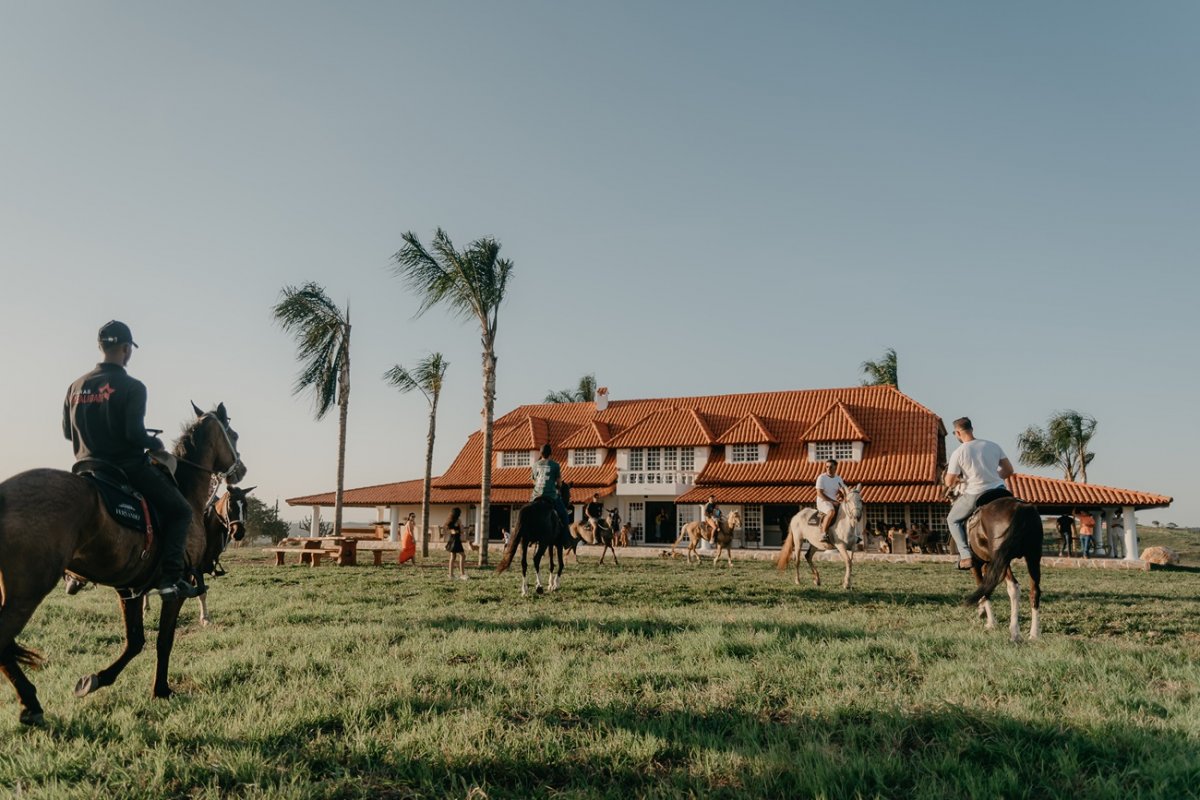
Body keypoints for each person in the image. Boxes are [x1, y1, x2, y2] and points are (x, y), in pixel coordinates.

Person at [63, 321, 199, 600]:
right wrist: (154, 442)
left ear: (101, 347)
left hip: (85, 467)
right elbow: (133, 434)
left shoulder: (75, 386)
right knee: (181, 511)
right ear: (126, 349)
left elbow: (68, 433)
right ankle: (171, 580)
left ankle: (75, 573)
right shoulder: (132, 386)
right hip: (125, 468)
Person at [944, 417, 1015, 569]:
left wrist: (957, 481)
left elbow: (949, 482)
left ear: (957, 432)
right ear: (972, 429)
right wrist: (994, 478)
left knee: (952, 519)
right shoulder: (993, 446)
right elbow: (1009, 470)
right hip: (1000, 490)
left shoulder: (959, 452)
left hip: (976, 493)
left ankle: (965, 556)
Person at [530, 444, 571, 531]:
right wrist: (557, 486)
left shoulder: (535, 465)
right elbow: (559, 482)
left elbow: (533, 481)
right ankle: (567, 537)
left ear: (541, 454)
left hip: (536, 496)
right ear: (550, 454)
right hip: (550, 495)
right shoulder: (555, 465)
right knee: (564, 514)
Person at [815, 459, 848, 545]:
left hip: (834, 501)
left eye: (831, 467)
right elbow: (819, 493)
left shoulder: (838, 478)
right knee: (831, 511)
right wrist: (832, 501)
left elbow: (843, 489)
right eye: (827, 467)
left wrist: (843, 496)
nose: (828, 469)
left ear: (835, 467)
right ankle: (823, 534)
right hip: (823, 501)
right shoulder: (821, 477)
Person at [444, 507, 466, 579]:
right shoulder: (458, 520)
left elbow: (447, 528)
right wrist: (460, 527)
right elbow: (462, 531)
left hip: (452, 539)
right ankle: (462, 574)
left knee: (453, 557)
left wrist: (453, 531)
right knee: (462, 555)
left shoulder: (450, 520)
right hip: (456, 540)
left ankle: (451, 575)